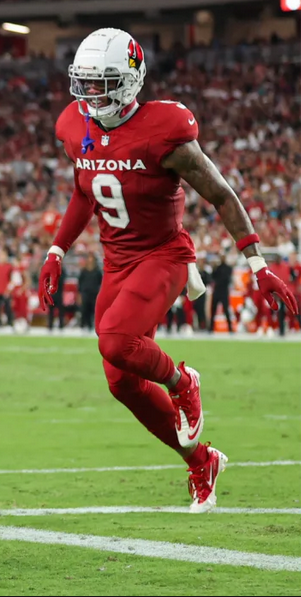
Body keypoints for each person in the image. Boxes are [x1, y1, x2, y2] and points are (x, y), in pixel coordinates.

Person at [38, 27, 298, 513]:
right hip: (117, 262)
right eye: (85, 83)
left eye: (103, 83)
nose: (91, 94)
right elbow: (82, 191)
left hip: (165, 256)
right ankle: (202, 461)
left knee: (115, 339)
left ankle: (184, 383)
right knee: (120, 381)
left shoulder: (166, 131)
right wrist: (56, 251)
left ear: (131, 80)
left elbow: (222, 194)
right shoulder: (76, 126)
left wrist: (258, 263)